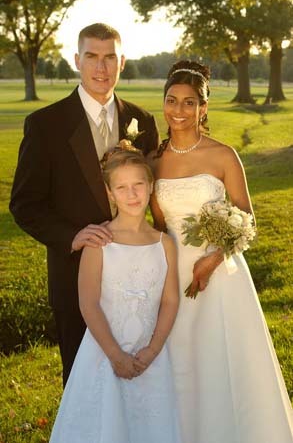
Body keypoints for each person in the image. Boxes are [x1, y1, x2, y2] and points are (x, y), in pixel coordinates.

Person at [150, 60, 293, 443]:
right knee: (182, 361)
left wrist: (215, 257)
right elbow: (157, 224)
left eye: (189, 102)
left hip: (222, 274)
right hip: (172, 274)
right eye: (172, 100)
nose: (178, 111)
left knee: (224, 359)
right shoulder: (154, 160)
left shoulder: (223, 155)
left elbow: (247, 216)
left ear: (203, 107)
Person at [9, 23, 160, 385]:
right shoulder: (45, 125)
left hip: (136, 278)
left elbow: (153, 195)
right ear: (77, 60)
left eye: (110, 58)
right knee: (82, 381)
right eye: (91, 56)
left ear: (122, 62)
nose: (101, 68)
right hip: (75, 273)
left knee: (137, 377)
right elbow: (25, 204)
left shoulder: (142, 121)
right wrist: (72, 236)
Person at [49, 150, 181, 443]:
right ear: (110, 193)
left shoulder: (165, 243)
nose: (131, 194)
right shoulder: (99, 241)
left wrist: (153, 349)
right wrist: (115, 355)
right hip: (104, 352)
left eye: (138, 185)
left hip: (150, 355)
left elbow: (170, 300)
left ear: (150, 186)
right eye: (121, 187)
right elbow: (88, 302)